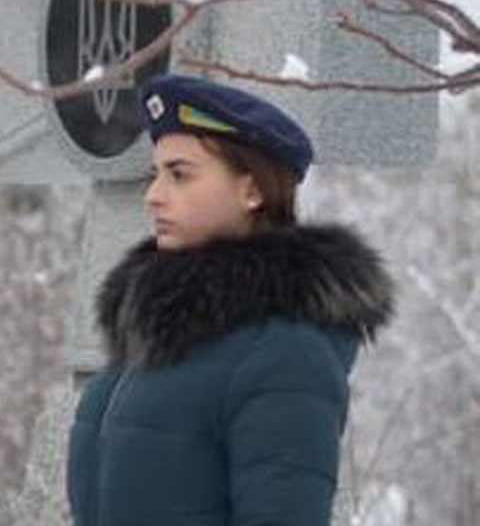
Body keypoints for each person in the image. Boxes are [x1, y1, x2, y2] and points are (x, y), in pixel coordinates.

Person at [67, 73, 394, 526]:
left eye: (180, 175)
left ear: (253, 190)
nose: (154, 195)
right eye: (155, 174)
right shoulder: (154, 337)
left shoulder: (285, 353)